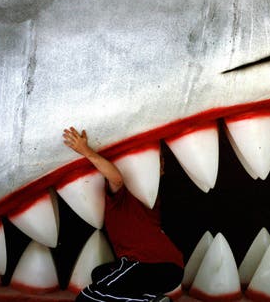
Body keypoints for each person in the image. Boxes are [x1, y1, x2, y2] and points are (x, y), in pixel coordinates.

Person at [63, 127, 184, 302]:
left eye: (161, 162)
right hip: (170, 269)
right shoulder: (146, 198)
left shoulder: (128, 196)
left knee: (87, 298)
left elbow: (117, 179)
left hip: (149, 264)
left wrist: (86, 151)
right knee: (100, 273)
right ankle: (150, 298)